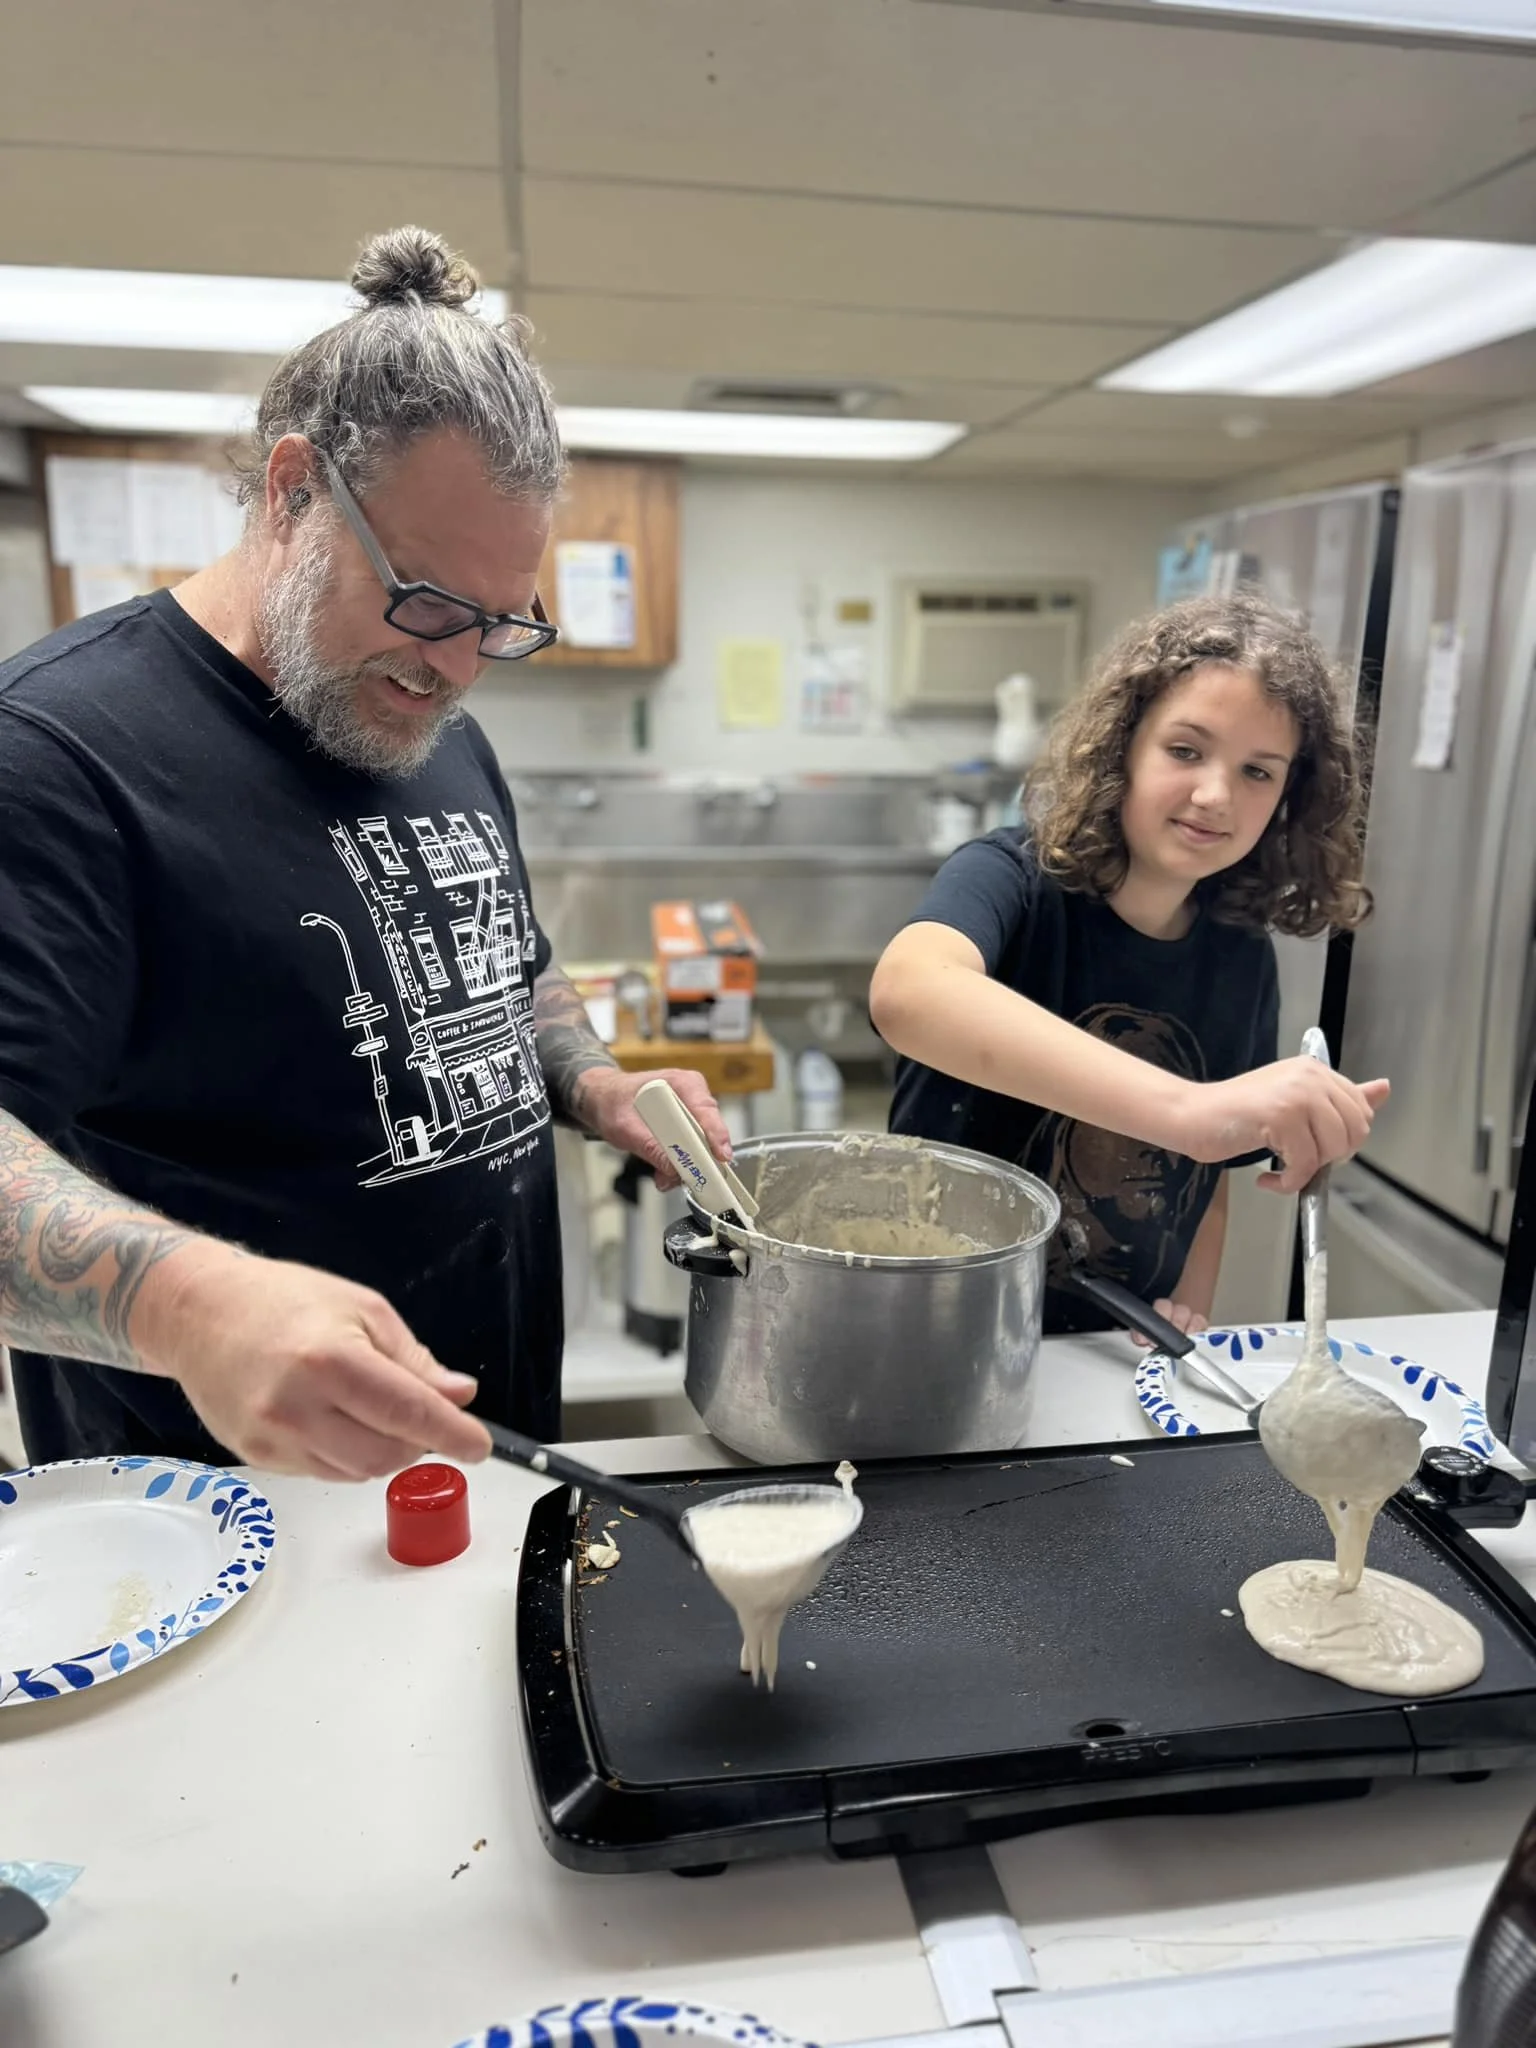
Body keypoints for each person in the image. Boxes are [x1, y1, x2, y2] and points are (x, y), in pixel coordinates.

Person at [0, 225, 730, 1480]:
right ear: (293, 491)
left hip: (486, 1457)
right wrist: (197, 1306)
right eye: (430, 602)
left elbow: (508, 973)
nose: (454, 664)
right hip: (230, 1520)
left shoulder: (427, 720)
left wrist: (596, 1083)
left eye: (501, 623)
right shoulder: (60, 753)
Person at [870, 593, 1387, 1340]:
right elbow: (908, 991)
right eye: (1185, 751)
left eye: (1258, 772)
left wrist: (1182, 1313)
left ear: (1288, 799)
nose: (1215, 795)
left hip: (1106, 1348)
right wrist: (1190, 1114)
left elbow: (1207, 1189)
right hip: (934, 1331)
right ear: (1123, 748)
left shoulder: (1240, 949)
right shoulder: (1010, 878)